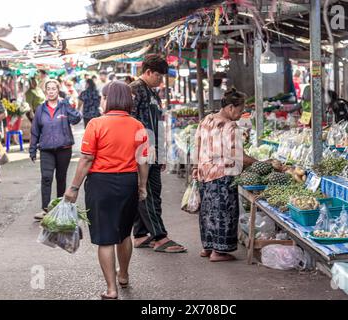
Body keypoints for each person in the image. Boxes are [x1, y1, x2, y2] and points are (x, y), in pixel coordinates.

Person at [64, 81, 149, 300]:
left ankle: (111, 289)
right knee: (124, 234)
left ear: (108, 99)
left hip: (101, 184)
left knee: (105, 238)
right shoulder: (138, 126)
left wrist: (73, 188)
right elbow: (143, 161)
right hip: (128, 183)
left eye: (103, 97)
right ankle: (124, 275)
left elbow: (86, 158)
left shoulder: (96, 124)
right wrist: (142, 186)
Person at [129, 54, 186, 253]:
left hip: (154, 151)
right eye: (159, 76)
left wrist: (162, 153)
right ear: (148, 72)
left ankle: (140, 234)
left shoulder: (152, 93)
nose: (161, 80)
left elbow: (159, 125)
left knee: (151, 194)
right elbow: (130, 123)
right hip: (142, 152)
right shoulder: (135, 90)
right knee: (149, 195)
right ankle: (160, 237)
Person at [192, 88, 257, 262]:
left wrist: (195, 167)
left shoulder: (206, 120)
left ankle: (208, 248)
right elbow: (237, 155)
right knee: (224, 213)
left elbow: (197, 145)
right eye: (239, 110)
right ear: (230, 107)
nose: (240, 114)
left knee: (207, 212)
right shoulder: (230, 126)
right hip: (222, 174)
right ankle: (218, 252)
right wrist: (258, 162)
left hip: (204, 173)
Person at [29, 80, 82, 220]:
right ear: (45, 91)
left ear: (58, 90)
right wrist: (32, 149)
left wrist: (67, 105)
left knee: (61, 178)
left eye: (54, 89)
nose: (51, 91)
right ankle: (46, 209)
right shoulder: (40, 109)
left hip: (63, 149)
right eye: (49, 89)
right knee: (46, 177)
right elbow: (35, 130)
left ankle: (59, 207)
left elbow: (76, 118)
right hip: (46, 149)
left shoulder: (64, 106)